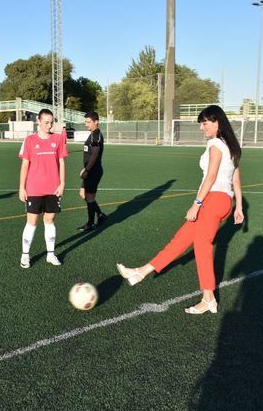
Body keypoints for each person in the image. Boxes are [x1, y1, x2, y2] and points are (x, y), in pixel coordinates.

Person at [116, 105, 244, 314]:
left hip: (212, 200)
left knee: (202, 247)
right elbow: (235, 179)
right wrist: (238, 206)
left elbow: (211, 176)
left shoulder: (215, 144)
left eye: (205, 123)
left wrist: (197, 203)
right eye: (201, 123)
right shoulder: (231, 146)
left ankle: (208, 298)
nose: (202, 128)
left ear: (217, 122)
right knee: (182, 239)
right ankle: (141, 271)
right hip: (225, 202)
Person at [18, 109, 68, 268]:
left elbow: (61, 162)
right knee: (31, 222)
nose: (49, 125)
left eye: (51, 122)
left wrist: (62, 183)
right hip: (34, 188)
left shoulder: (58, 139)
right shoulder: (29, 140)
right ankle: (25, 255)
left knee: (49, 220)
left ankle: (50, 254)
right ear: (38, 122)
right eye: (46, 122)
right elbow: (25, 165)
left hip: (53, 188)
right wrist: (21, 187)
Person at [77, 111, 107, 232]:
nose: (86, 124)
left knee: (89, 197)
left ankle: (90, 223)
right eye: (86, 122)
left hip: (93, 171)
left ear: (96, 122)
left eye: (88, 122)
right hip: (90, 171)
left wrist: (86, 169)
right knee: (83, 194)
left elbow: (94, 155)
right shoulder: (92, 134)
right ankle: (100, 215)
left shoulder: (96, 135)